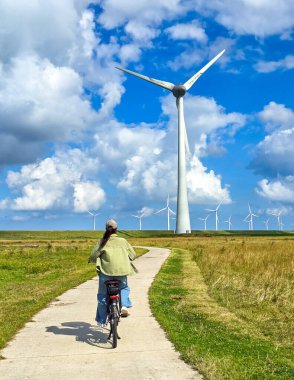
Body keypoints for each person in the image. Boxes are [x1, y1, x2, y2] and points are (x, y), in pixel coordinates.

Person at [88, 219, 137, 327]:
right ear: (116, 229)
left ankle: (101, 321)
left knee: (102, 295)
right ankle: (124, 305)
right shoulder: (123, 241)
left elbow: (93, 255)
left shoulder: (102, 241)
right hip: (121, 272)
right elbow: (133, 255)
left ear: (106, 229)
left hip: (106, 273)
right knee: (123, 288)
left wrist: (91, 259)